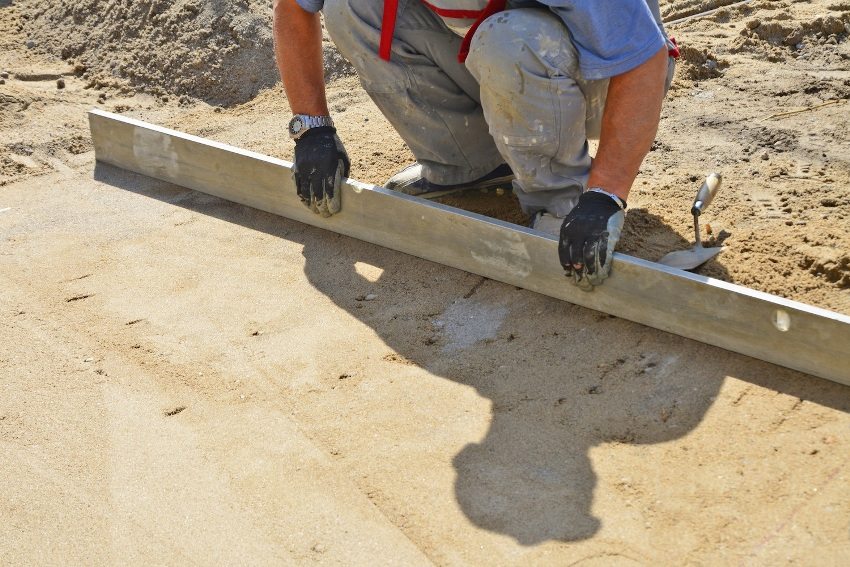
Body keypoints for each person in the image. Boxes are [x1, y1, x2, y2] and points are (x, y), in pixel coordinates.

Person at [272, 0, 677, 287]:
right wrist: (312, 128)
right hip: (504, 46)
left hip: (607, 81)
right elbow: (294, 6)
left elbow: (643, 57)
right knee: (352, 5)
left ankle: (563, 202)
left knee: (507, 39)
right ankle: (471, 167)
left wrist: (605, 194)